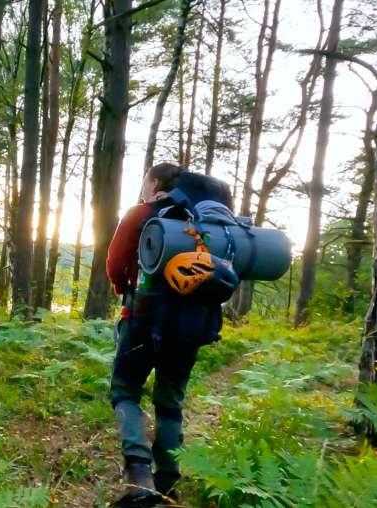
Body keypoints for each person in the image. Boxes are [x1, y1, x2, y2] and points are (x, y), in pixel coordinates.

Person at [107, 163, 224, 507]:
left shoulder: (141, 213)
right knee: (170, 403)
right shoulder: (204, 222)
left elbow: (115, 262)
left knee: (125, 391)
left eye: (145, 182)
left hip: (142, 319)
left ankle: (140, 477)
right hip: (189, 326)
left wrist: (124, 289)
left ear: (154, 183)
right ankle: (168, 481)